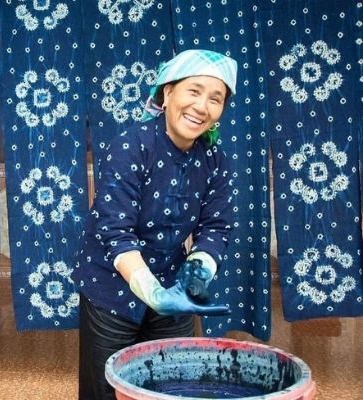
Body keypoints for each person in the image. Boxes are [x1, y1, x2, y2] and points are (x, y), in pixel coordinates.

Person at [72, 49, 238, 399]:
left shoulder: (215, 160)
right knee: (106, 388)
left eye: (215, 98)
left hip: (172, 284)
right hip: (111, 289)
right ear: (166, 92)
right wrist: (151, 292)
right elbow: (114, 230)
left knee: (170, 386)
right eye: (193, 91)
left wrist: (194, 276)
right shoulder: (130, 147)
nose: (202, 106)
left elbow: (216, 227)